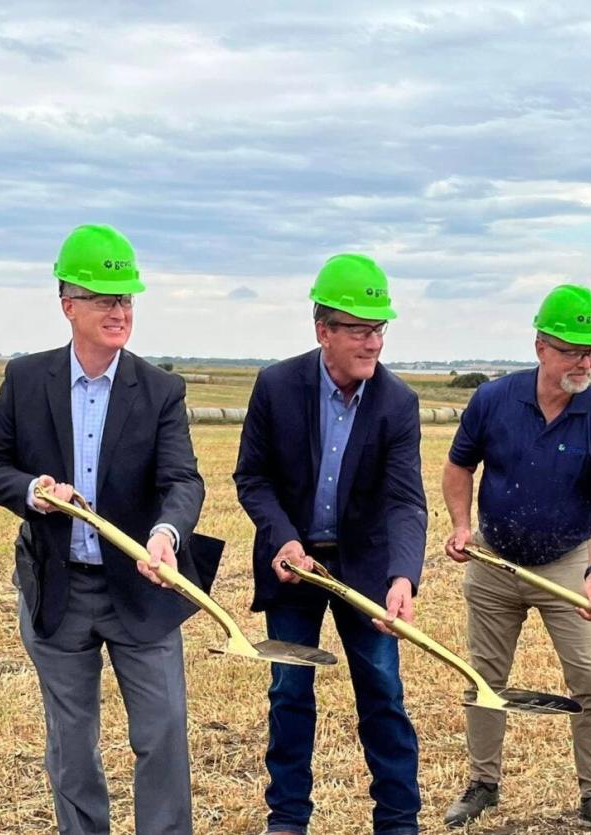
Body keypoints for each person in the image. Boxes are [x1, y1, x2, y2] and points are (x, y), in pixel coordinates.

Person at [0, 224, 207, 834]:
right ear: (67, 304)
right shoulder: (26, 380)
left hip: (141, 590)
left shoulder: (160, 390)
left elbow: (184, 481)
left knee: (161, 735)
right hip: (59, 590)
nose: (119, 311)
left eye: (126, 299)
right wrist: (33, 492)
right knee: (71, 744)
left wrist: (165, 535)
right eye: (105, 298)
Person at [234, 254, 427, 835]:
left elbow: (405, 502)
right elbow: (253, 478)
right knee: (290, 690)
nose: (373, 344)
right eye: (361, 331)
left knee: (383, 691)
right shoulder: (276, 386)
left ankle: (398, 821)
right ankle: (287, 820)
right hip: (294, 565)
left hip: (365, 567)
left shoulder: (398, 403)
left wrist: (401, 578)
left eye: (379, 330)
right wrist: (286, 540)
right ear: (323, 331)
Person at [442, 285, 591, 835]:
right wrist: (461, 526)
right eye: (574, 349)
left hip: (567, 564)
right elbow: (459, 469)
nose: (587, 361)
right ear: (540, 347)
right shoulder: (493, 401)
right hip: (494, 562)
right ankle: (483, 784)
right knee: (483, 677)